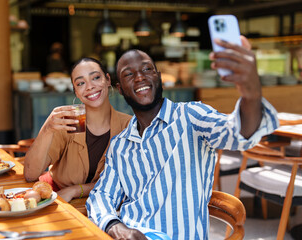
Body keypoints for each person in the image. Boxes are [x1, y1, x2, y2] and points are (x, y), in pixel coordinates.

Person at [86, 37, 279, 239]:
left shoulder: (191, 116)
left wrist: (251, 90)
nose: (140, 77)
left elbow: (239, 132)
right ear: (119, 88)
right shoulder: (120, 145)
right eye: (129, 74)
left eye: (147, 70)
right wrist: (117, 227)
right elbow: (102, 195)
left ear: (158, 77)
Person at [24, 57, 131, 202]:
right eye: (81, 83)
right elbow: (30, 174)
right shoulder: (68, 122)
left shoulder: (128, 126)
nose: (89, 86)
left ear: (107, 80)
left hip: (101, 203)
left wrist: (76, 190)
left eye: (96, 78)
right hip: (55, 198)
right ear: (75, 91)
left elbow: (127, 182)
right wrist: (47, 129)